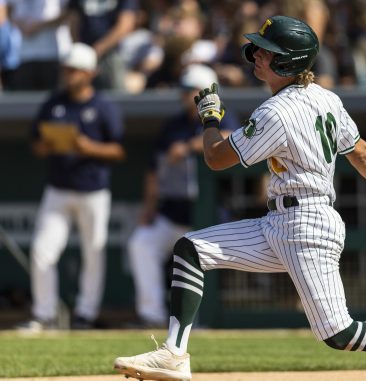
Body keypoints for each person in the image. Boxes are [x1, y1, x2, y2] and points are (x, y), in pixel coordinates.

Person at [113, 15, 366, 381]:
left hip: (306, 225)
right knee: (190, 249)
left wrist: (210, 121)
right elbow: (362, 152)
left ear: (289, 62)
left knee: (339, 334)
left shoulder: (275, 112)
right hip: (278, 223)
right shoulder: (326, 98)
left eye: (267, 52)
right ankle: (174, 354)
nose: (257, 56)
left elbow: (216, 159)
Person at [16, 42, 125, 332]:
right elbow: (36, 144)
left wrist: (88, 147)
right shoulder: (53, 102)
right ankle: (44, 315)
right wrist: (48, 144)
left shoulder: (103, 106)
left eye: (74, 70)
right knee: (42, 250)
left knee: (93, 253)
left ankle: (85, 315)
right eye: (66, 69)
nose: (69, 75)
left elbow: (118, 151)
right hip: (58, 188)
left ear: (90, 73)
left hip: (93, 190)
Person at [126, 64, 238, 328]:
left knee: (205, 261)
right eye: (185, 91)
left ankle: (200, 321)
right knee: (141, 244)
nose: (186, 96)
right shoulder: (173, 125)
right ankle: (151, 315)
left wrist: (189, 146)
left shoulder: (223, 116)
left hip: (209, 212)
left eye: (192, 91)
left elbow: (232, 138)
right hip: (173, 211)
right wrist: (149, 207)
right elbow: (154, 169)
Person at [67, 0, 138, 90]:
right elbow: (73, 20)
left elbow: (125, 24)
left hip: (111, 55)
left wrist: (99, 48)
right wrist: (81, 50)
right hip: (84, 57)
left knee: (116, 94)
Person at [5, 0, 72, 91]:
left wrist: (40, 25)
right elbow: (8, 10)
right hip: (23, 57)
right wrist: (21, 25)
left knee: (50, 97)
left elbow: (69, 12)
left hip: (51, 55)